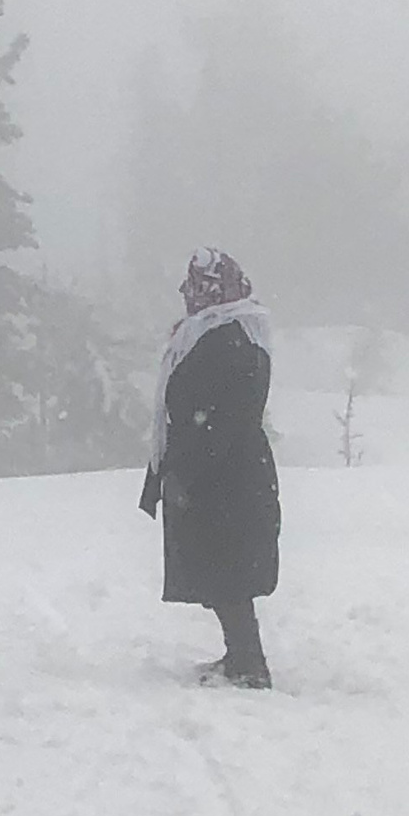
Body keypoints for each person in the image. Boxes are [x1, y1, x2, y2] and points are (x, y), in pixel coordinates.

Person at [138, 246, 279, 688]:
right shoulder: (217, 332)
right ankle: (240, 657)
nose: (186, 293)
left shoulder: (231, 337)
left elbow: (226, 416)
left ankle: (248, 666)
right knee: (222, 569)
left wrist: (192, 467)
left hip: (225, 478)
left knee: (228, 570)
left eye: (196, 286)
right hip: (220, 473)